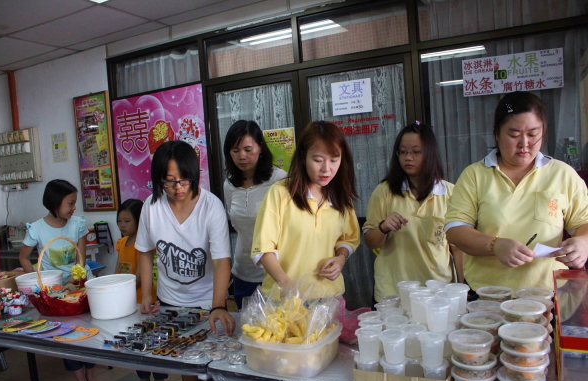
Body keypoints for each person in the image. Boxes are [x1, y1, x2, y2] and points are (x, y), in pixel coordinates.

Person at [445, 91, 588, 291]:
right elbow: (455, 230)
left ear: (543, 132)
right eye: (514, 135)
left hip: (548, 293)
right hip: (488, 294)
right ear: (496, 133)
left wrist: (583, 242)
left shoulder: (562, 174)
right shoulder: (475, 175)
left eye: (532, 134)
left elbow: (583, 222)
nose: (524, 144)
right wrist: (495, 246)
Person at [135, 140, 235, 381]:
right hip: (170, 301)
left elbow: (221, 260)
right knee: (186, 362)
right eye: (169, 181)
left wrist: (218, 305)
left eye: (184, 179)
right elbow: (145, 252)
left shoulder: (211, 206)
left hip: (207, 300)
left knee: (214, 367)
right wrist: (148, 295)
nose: (178, 188)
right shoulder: (151, 207)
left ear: (194, 174)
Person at [251, 121, 360, 299]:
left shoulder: (342, 197)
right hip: (286, 299)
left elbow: (349, 238)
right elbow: (263, 249)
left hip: (329, 297)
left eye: (334, 160)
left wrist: (341, 258)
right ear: (303, 156)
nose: (326, 169)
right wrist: (286, 284)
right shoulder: (281, 193)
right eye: (318, 160)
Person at [19, 179, 106, 381]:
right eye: (70, 203)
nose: (74, 208)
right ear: (55, 202)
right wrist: (39, 284)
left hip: (80, 287)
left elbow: (81, 258)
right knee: (65, 337)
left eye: (74, 203)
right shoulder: (37, 229)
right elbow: (24, 257)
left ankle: (92, 378)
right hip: (56, 294)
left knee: (88, 335)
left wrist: (77, 279)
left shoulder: (77, 224)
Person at [363, 122, 464, 300]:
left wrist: (464, 288)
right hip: (393, 293)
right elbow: (370, 242)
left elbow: (458, 249)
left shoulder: (450, 193)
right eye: (402, 152)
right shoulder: (384, 191)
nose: (408, 158)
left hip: (438, 293)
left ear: (430, 154)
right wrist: (383, 227)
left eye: (416, 152)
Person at [223, 120, 287, 308]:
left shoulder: (279, 180)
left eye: (248, 150)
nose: (242, 156)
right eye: (235, 151)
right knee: (247, 323)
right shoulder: (229, 184)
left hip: (276, 272)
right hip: (243, 271)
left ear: (260, 148)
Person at [114, 198, 166, 381]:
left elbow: (139, 277)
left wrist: (120, 288)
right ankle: (143, 380)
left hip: (146, 302)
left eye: (127, 221)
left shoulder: (143, 245)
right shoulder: (121, 243)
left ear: (139, 221)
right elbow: (117, 270)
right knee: (135, 343)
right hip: (129, 303)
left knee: (154, 343)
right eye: (120, 221)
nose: (122, 225)